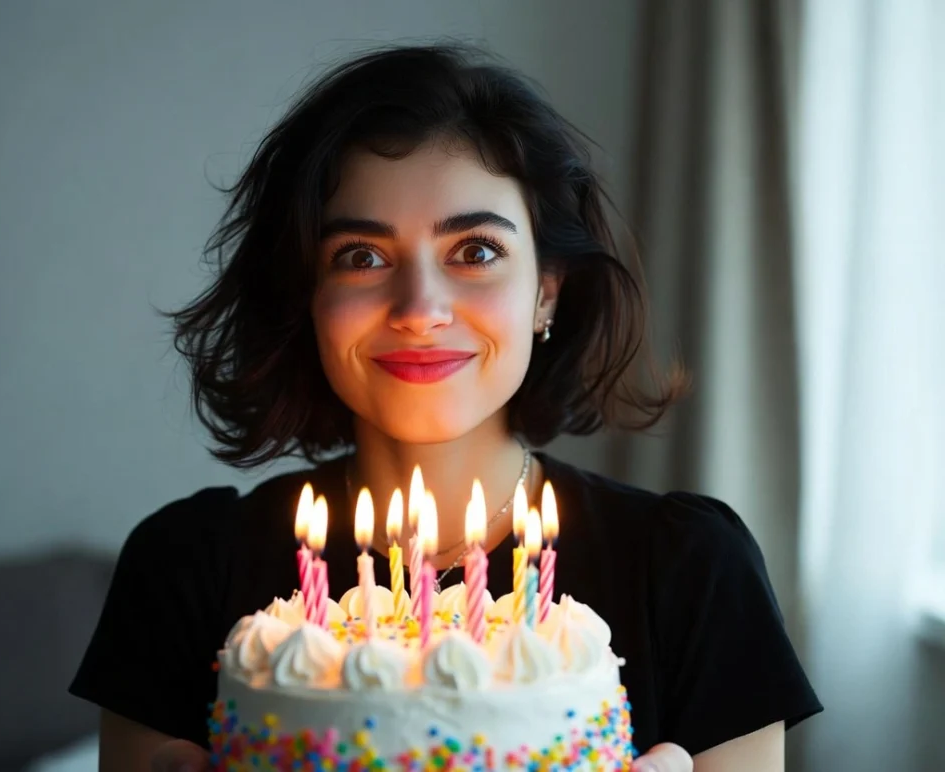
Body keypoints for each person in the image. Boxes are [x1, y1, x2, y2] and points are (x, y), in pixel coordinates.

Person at [70, 42, 821, 772]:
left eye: (476, 251)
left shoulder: (689, 569)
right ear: (308, 298)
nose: (420, 309)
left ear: (546, 291)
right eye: (361, 257)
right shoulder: (187, 567)